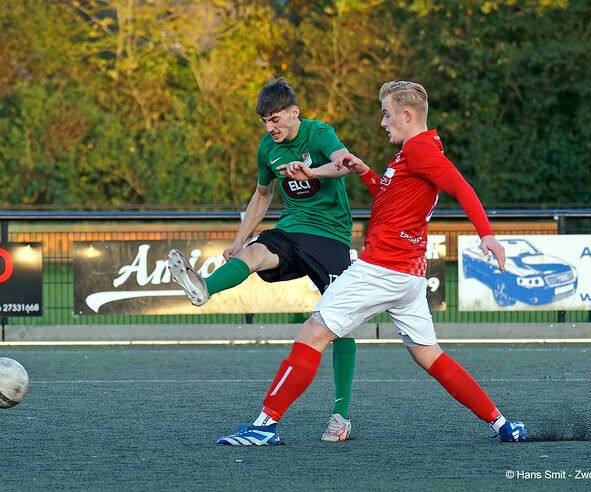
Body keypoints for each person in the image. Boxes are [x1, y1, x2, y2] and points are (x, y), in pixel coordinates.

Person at [216, 80, 526, 446]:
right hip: (408, 276)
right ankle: (502, 423)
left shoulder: (422, 151)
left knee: (313, 333)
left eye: (387, 114)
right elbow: (389, 196)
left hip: (381, 267)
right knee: (429, 355)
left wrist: (486, 235)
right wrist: (364, 171)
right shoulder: (412, 153)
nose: (383, 122)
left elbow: (462, 187)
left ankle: (264, 426)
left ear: (407, 115)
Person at [167, 77, 357, 442]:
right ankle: (204, 288)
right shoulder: (267, 149)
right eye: (265, 122)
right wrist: (238, 241)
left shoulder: (319, 134)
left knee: (342, 322)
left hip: (330, 236)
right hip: (291, 228)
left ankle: (341, 415)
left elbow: (345, 164)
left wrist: (312, 171)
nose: (271, 128)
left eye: (276, 120)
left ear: (294, 113)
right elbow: (262, 195)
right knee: (255, 253)